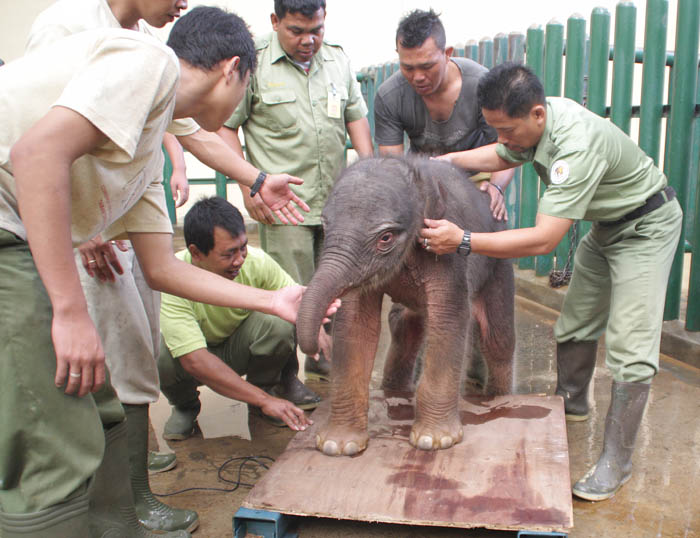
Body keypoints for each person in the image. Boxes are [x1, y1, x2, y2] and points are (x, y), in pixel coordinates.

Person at [0, 7, 338, 537]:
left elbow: (160, 269)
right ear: (233, 70)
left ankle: (115, 524)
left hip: (20, 237)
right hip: (7, 235)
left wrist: (273, 301)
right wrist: (69, 312)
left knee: (100, 404)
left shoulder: (144, 146)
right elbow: (36, 151)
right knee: (52, 442)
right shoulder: (147, 60)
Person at [420, 62, 682, 502]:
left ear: (536, 115)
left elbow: (543, 240)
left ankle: (616, 463)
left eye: (506, 129)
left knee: (630, 346)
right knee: (576, 323)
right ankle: (571, 406)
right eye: (494, 129)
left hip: (646, 228)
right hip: (607, 226)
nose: (501, 138)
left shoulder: (575, 146)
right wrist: (446, 162)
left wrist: (462, 240)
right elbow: (506, 154)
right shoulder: (538, 121)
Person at [218, 0, 373, 381]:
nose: (309, 40)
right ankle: (280, 379)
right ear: (275, 22)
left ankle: (325, 361)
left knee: (340, 287)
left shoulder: (337, 60)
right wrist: (248, 185)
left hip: (338, 204)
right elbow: (224, 129)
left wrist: (370, 177)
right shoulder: (252, 63)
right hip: (286, 206)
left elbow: (356, 119)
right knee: (292, 290)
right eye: (297, 31)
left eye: (316, 30)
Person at [158, 197, 331, 437]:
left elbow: (298, 302)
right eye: (228, 254)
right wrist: (263, 400)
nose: (239, 260)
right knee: (160, 352)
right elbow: (194, 360)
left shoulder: (257, 262)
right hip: (197, 357)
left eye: (243, 248)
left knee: (279, 323)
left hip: (238, 348)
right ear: (196, 253)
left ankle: (266, 388)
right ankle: (185, 406)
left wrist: (317, 330)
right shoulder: (172, 278)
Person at [374, 8, 514, 222]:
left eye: (427, 66)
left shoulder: (481, 85)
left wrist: (496, 187)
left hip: (477, 178)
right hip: (422, 183)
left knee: (488, 225)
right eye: (408, 68)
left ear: (447, 53)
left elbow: (508, 149)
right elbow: (392, 166)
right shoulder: (390, 96)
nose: (418, 77)